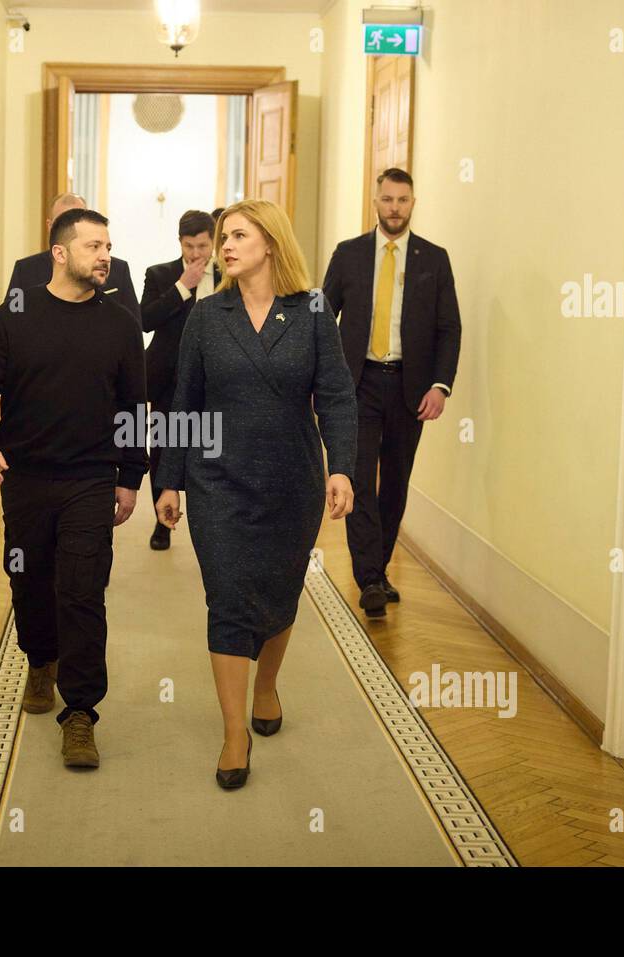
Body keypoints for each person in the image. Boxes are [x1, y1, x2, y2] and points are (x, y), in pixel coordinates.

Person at [155, 199, 357, 790]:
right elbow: (183, 401)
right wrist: (169, 478)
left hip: (292, 482)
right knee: (228, 597)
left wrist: (340, 468)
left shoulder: (313, 311)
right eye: (223, 238)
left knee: (278, 592)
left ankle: (266, 684)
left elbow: (338, 397)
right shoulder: (207, 315)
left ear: (271, 242)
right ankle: (233, 732)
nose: (225, 246)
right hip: (218, 482)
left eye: (238, 235)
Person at [0, 207, 148, 769]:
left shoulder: (118, 321)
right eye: (93, 246)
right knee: (28, 578)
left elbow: (133, 404)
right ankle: (40, 658)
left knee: (83, 590)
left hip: (90, 478)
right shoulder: (14, 313)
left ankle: (82, 713)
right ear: (60, 254)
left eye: (108, 245)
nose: (105, 255)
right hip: (25, 477)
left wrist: (131, 476)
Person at [321, 168, 461, 618]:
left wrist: (440, 385)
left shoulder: (433, 259)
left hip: (409, 388)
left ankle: (377, 571)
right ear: (375, 201)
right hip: (356, 386)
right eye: (387, 199)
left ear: (413, 203)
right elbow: (323, 319)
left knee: (396, 483)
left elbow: (449, 328)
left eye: (402, 200)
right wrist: (321, 380)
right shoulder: (349, 254)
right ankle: (369, 579)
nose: (394, 208)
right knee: (359, 477)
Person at [139, 209, 221, 550]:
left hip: (217, 379)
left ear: (213, 242)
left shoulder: (230, 274)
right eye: (190, 246)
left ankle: (215, 523)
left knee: (211, 451)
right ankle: (163, 522)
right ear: (180, 243)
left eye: (203, 245)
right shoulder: (160, 275)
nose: (196, 254)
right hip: (168, 378)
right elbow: (144, 320)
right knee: (161, 451)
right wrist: (182, 288)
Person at [3, 192, 140, 322]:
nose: (105, 257)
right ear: (50, 226)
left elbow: (132, 323)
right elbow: (12, 317)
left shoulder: (117, 270)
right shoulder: (26, 270)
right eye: (64, 221)